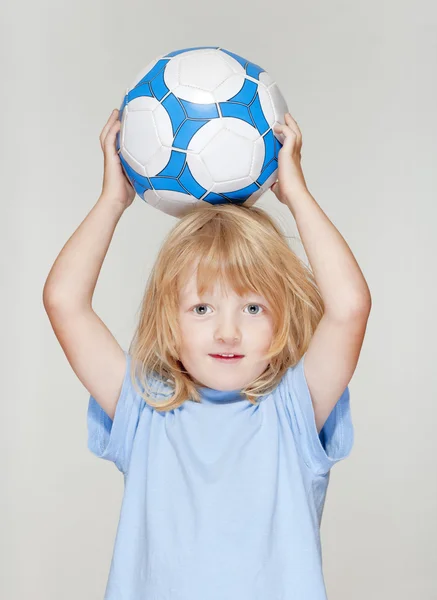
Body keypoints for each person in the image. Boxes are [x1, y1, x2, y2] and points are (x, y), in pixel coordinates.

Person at [43, 108, 371, 600]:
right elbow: (64, 302)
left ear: (283, 321)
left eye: (254, 307)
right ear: (168, 324)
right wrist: (113, 201)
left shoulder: (293, 411)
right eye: (201, 307)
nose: (227, 332)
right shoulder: (144, 409)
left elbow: (349, 308)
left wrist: (296, 195)